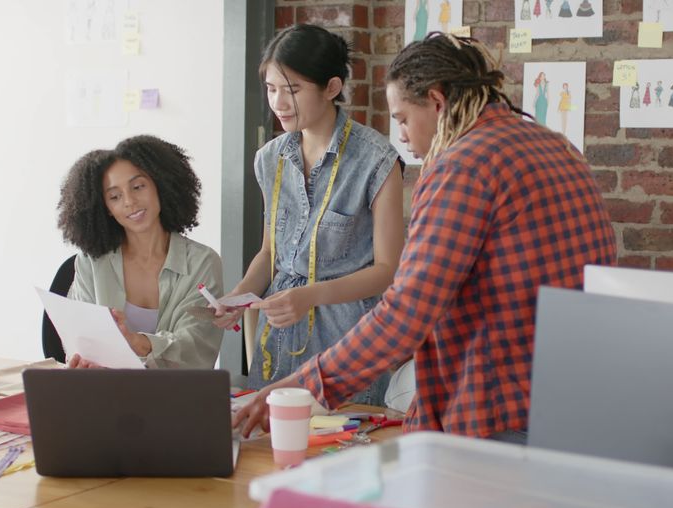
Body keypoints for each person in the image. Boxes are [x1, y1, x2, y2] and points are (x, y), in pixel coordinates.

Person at [233, 32, 617, 441]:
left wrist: (301, 387)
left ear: (436, 102)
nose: (401, 136)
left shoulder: (462, 165)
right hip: (575, 403)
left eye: (401, 118)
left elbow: (405, 312)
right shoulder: (558, 148)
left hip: (498, 411)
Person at [214, 24, 404, 405]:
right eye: (271, 89)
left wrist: (310, 296)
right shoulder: (270, 159)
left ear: (331, 88)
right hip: (280, 334)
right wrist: (238, 296)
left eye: (293, 90)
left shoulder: (376, 160)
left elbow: (388, 271)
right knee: (269, 452)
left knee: (344, 453)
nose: (279, 103)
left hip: (349, 341)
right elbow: (270, 254)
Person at [56, 135, 224, 369]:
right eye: (115, 196)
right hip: (104, 395)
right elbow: (78, 340)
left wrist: (138, 343)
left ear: (160, 186)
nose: (130, 202)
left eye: (138, 187)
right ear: (106, 209)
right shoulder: (91, 262)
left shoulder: (202, 263)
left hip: (174, 397)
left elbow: (195, 350)